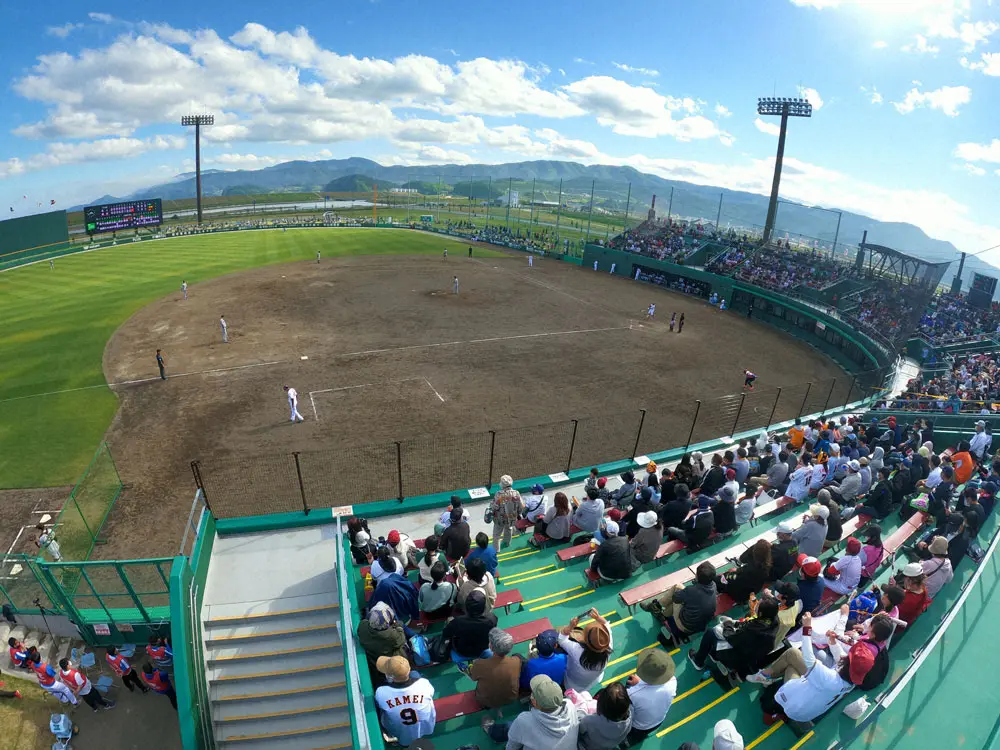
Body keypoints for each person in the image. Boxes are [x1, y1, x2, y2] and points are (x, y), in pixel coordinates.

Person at [751, 611, 889, 725]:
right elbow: (841, 658)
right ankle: (767, 677)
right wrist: (833, 642)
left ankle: (773, 713)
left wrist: (807, 627)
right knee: (792, 663)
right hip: (810, 708)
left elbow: (808, 656)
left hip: (796, 708)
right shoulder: (851, 679)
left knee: (790, 666)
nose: (846, 656)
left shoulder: (829, 678)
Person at [687, 596, 780, 679]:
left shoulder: (752, 631)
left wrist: (728, 624)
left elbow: (731, 638)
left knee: (711, 632)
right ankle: (714, 655)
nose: (756, 604)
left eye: (758, 605)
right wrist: (737, 624)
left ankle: (698, 661)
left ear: (760, 613)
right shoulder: (773, 621)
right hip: (749, 656)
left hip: (736, 656)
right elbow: (752, 624)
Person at [482, 674, 579, 749]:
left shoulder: (524, 720)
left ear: (534, 701)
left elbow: (512, 745)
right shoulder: (569, 705)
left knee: (509, 727)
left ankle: (493, 732)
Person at [642, 561, 719, 640]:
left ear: (698, 577)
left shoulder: (691, 591)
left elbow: (675, 598)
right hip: (701, 625)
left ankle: (656, 606)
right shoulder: (713, 585)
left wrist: (684, 593)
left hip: (685, 627)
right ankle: (661, 613)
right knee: (681, 599)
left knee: (677, 587)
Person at [374, 655, 436, 746]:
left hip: (401, 734)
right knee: (415, 674)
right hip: (426, 727)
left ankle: (390, 736)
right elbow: (431, 693)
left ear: (390, 677)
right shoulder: (424, 683)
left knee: (381, 708)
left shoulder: (381, 692)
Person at [625, 648, 677, 743]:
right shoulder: (673, 681)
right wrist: (640, 684)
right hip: (658, 722)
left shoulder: (633, 694)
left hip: (639, 726)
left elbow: (628, 714)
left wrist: (637, 685)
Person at [558, 608, 613, 692]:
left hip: (572, 684)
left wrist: (570, 627)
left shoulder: (577, 650)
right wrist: (598, 617)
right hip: (594, 680)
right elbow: (606, 624)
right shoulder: (607, 644)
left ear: (586, 640)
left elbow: (561, 639)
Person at [468, 629, 522, 711]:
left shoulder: (479, 664)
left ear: (491, 647)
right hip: (510, 698)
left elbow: (473, 678)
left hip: (487, 701)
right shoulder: (517, 661)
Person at [445, 589, 498, 668]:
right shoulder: (492, 619)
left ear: (466, 606)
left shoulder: (458, 621)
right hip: (482, 649)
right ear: (484, 606)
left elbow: (446, 634)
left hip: (461, 651)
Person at [578, 682, 633, 750]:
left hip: (588, 746)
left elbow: (580, 729)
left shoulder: (590, 720)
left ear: (599, 706)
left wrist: (581, 710)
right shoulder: (630, 715)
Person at [357, 601, 409, 672]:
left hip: (372, 656)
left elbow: (363, 626)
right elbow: (401, 639)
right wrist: (398, 625)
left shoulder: (363, 626)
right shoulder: (392, 635)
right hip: (388, 659)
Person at [717, 539, 771, 604]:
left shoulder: (751, 569)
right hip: (752, 591)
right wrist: (737, 570)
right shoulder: (766, 564)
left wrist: (725, 575)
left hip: (740, 595)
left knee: (717, 579)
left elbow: (735, 579)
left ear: (755, 551)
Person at [491, 474, 524, 551]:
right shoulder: (516, 493)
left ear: (502, 484)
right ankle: (507, 542)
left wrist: (492, 505)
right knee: (509, 529)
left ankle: (496, 549)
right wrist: (518, 513)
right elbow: (521, 506)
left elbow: (496, 507)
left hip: (500, 518)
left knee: (496, 534)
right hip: (511, 517)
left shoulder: (499, 494)